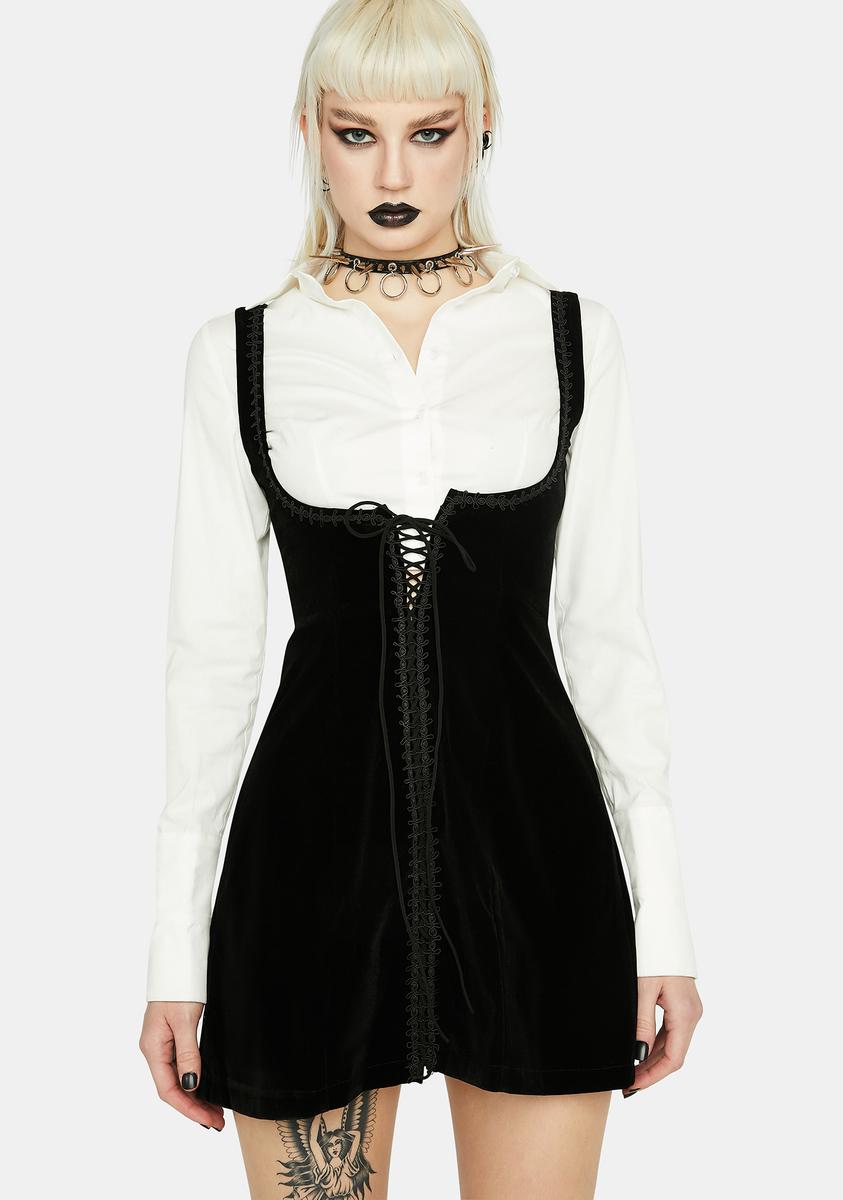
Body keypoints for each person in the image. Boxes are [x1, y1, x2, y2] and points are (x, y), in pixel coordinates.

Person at [138, 1, 703, 1196]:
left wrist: (666, 927)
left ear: (484, 126)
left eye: (429, 133)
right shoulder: (241, 353)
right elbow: (209, 671)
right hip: (305, 874)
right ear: (309, 131)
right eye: (357, 134)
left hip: (541, 867)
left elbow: (608, 642)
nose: (393, 175)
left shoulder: (570, 338)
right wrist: (173, 959)